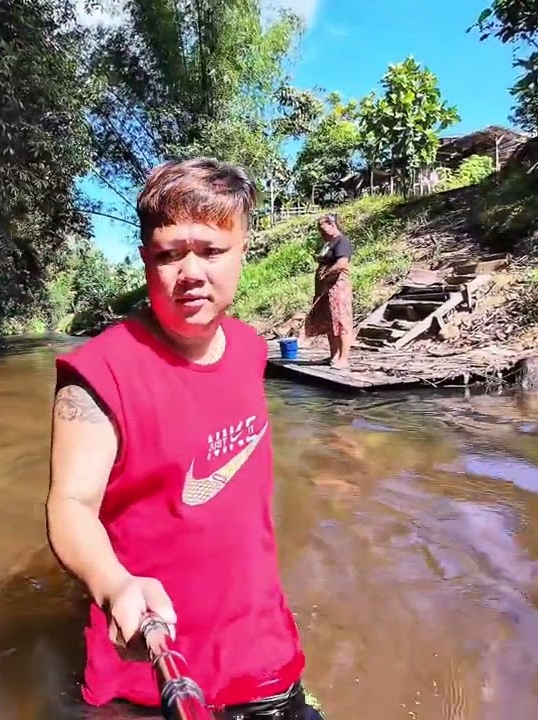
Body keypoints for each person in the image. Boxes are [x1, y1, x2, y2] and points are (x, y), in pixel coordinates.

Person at [46, 157, 325, 719]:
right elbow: (70, 504)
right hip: (152, 664)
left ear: (244, 249)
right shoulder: (98, 374)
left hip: (261, 652)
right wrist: (113, 585)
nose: (191, 272)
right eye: (170, 254)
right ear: (147, 259)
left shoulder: (250, 348)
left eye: (212, 251)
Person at [302, 215, 353, 369]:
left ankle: (343, 359)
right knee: (330, 322)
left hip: (337, 287)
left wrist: (326, 274)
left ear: (332, 225)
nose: (321, 233)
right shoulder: (328, 244)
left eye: (323, 229)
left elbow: (342, 263)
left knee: (341, 320)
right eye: (319, 230)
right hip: (325, 289)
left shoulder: (341, 241)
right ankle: (333, 356)